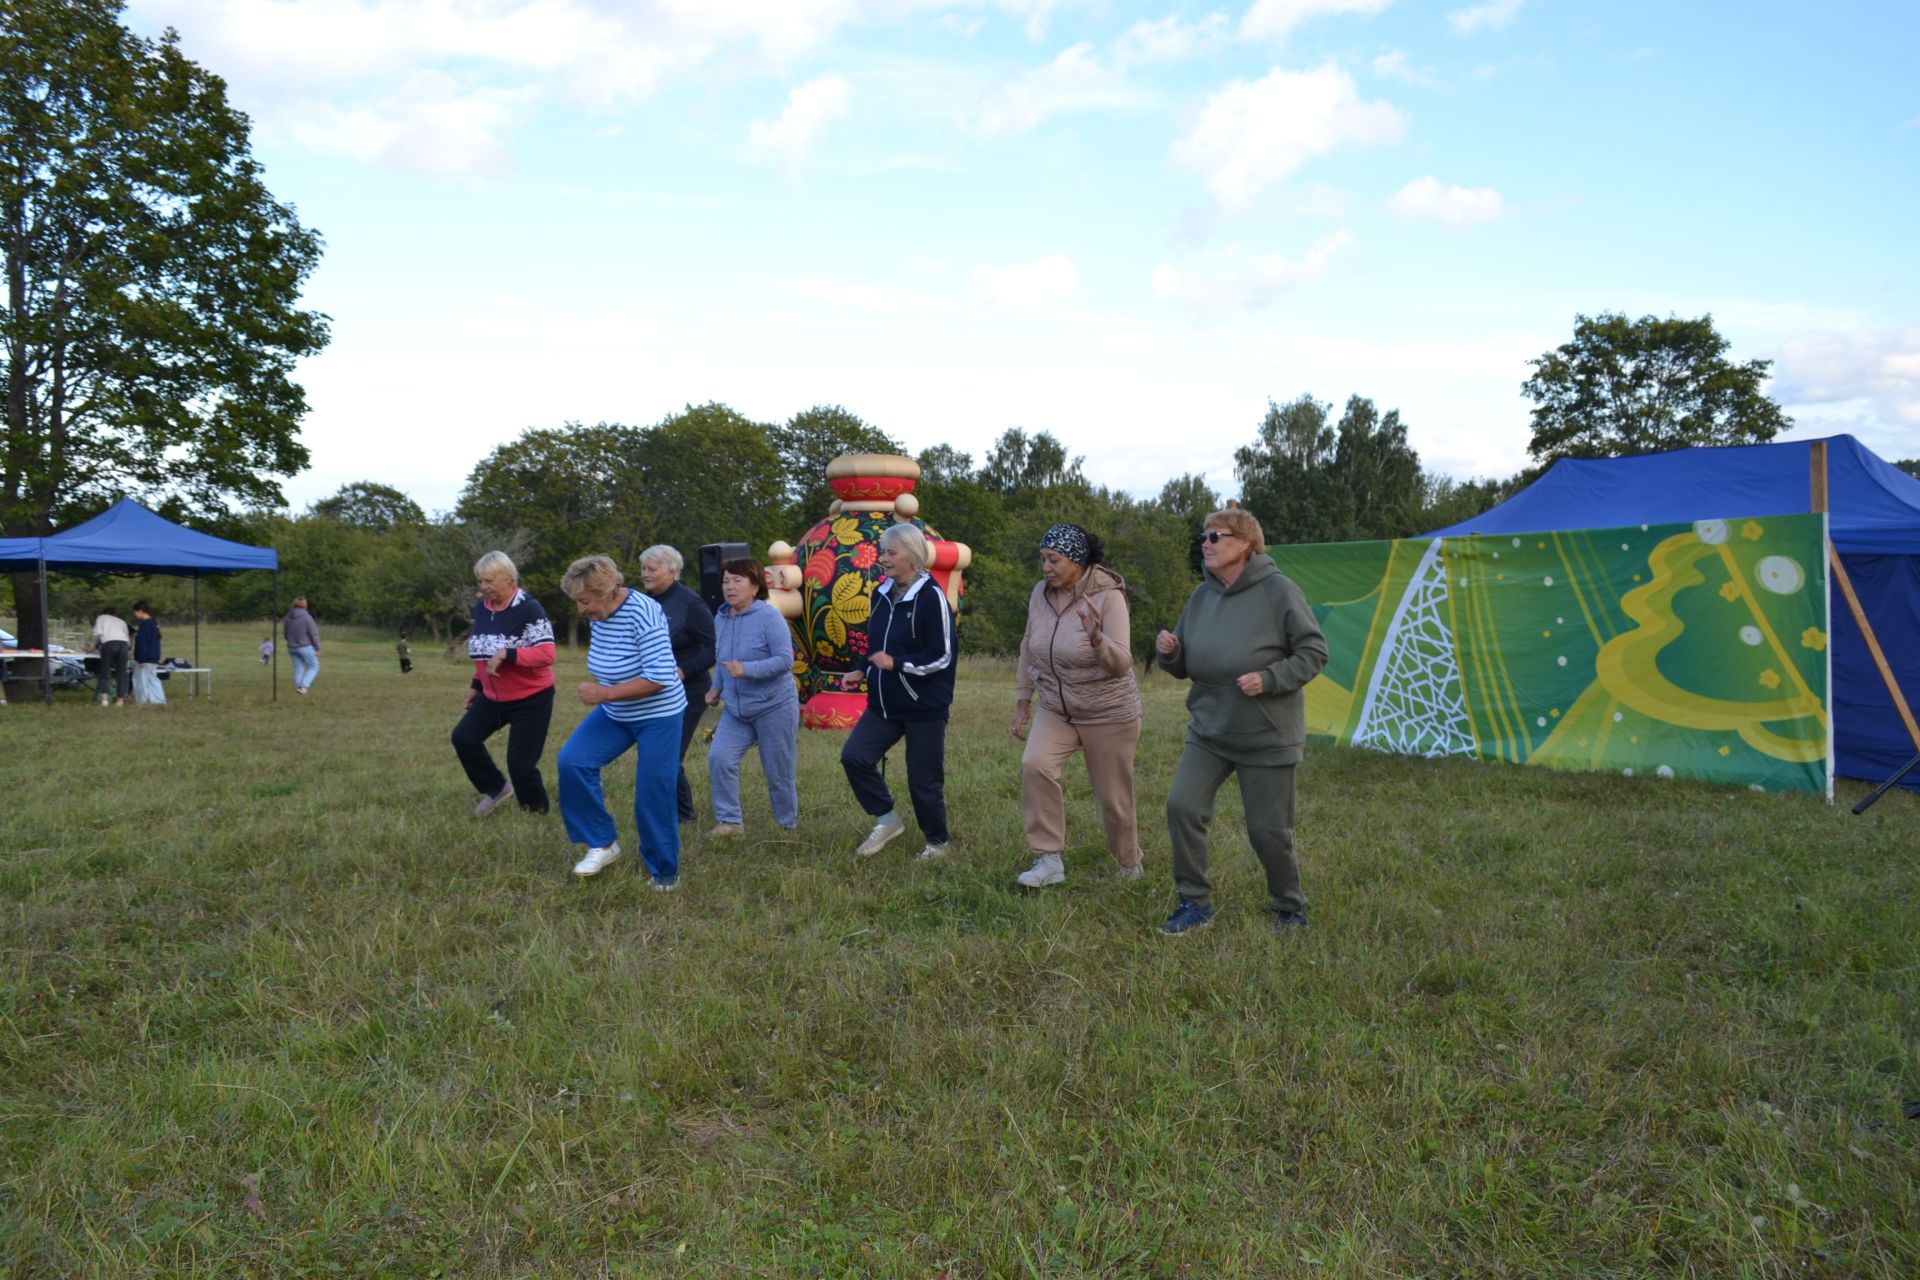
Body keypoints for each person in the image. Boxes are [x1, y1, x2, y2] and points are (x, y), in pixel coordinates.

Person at [1153, 507, 1328, 936]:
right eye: (1204, 537)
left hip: (1266, 733)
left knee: (1268, 831)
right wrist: (1171, 652)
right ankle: (1194, 903)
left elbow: (1314, 652)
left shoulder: (1278, 591)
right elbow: (1182, 665)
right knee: (1182, 806)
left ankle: (1290, 909)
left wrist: (1270, 678)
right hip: (1210, 729)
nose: (1206, 544)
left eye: (1217, 537)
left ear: (1246, 543)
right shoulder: (1202, 596)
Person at [1009, 523, 1144, 889]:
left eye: (1054, 559)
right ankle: (1048, 859)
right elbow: (1028, 645)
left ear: (1077, 559)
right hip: (1057, 706)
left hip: (1107, 712)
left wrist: (1097, 638)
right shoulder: (1040, 593)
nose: (1046, 568)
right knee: (1035, 765)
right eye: (1043, 560)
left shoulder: (1109, 597)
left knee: (1113, 797)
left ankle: (1130, 864)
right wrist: (1024, 700)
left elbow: (1120, 664)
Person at [555, 555, 687, 889]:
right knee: (573, 762)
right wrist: (609, 696)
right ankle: (602, 843)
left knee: (652, 792)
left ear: (607, 592)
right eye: (578, 602)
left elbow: (660, 678)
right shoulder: (598, 615)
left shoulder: (643, 611)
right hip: (618, 713)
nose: (581, 609)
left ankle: (664, 873)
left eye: (585, 601)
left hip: (659, 714)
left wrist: (605, 693)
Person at [839, 522, 956, 860]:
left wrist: (897, 664)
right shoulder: (881, 592)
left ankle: (937, 843)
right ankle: (888, 821)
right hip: (884, 703)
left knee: (923, 780)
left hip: (924, 706)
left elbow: (943, 655)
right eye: (883, 551)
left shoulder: (932, 597)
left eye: (891, 552)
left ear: (913, 555)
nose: (883, 558)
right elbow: (876, 642)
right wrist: (863, 666)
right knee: (855, 757)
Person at [452, 551, 556, 818]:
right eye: (480, 582)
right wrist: (476, 685)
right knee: (464, 738)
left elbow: (547, 654)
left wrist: (508, 654)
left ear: (508, 578)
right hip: (493, 696)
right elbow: (482, 651)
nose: (484, 587)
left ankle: (536, 813)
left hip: (532, 698)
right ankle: (497, 788)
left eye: (489, 581)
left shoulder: (529, 608)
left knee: (520, 763)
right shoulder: (482, 609)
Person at [706, 557, 799, 837]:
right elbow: (723, 658)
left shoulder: (769, 617)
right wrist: (716, 687)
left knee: (778, 773)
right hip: (736, 710)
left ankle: (787, 826)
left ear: (755, 585)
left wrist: (746, 669)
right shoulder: (721, 617)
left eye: (737, 581)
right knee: (719, 758)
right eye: (725, 581)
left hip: (775, 706)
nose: (729, 587)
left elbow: (785, 661)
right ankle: (730, 823)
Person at [639, 545, 716, 825]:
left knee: (670, 753)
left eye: (652, 569)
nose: (646, 574)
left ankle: (684, 816)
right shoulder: (644, 601)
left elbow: (713, 647)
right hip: (655, 689)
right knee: (659, 752)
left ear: (672, 571)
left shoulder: (690, 604)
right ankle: (672, 810)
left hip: (689, 691)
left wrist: (685, 670)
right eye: (644, 568)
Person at [90, 606, 132, 706]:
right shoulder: (121, 621)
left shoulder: (101, 618)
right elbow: (128, 638)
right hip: (123, 644)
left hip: (109, 644)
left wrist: (92, 647)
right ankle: (120, 701)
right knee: (121, 673)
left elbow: (97, 633)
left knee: (105, 671)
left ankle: (105, 700)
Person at [130, 601, 166, 705]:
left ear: (140, 611)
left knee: (141, 681)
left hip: (145, 658)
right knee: (152, 679)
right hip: (153, 657)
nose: (135, 615)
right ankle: (158, 700)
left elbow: (142, 643)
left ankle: (142, 701)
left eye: (135, 612)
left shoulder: (145, 625)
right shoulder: (153, 623)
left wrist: (140, 659)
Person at [283, 596, 320, 693]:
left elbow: (286, 634)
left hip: (292, 647)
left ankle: (299, 688)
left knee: (298, 669)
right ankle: (304, 686)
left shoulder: (287, 617)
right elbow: (314, 634)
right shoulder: (307, 618)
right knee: (313, 667)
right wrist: (317, 648)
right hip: (305, 647)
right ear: (305, 605)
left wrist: (291, 641)